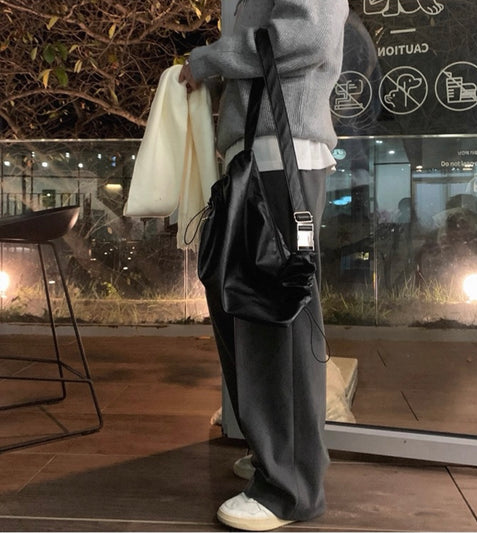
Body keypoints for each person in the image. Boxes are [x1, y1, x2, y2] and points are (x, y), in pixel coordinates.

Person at [179, 1, 348, 530]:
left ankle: (289, 487)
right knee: (249, 307)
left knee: (276, 318)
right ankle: (276, 458)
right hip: (262, 153)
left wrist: (209, 59)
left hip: (281, 153)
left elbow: (309, 34)